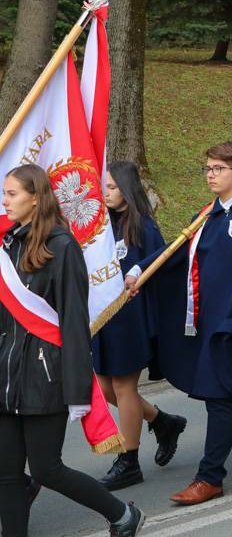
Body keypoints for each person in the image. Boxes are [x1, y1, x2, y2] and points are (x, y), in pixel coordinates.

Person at [125, 142, 232, 505]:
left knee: (217, 395)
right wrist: (140, 270)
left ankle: (210, 477)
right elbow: (180, 249)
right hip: (208, 318)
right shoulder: (209, 213)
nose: (210, 175)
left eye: (218, 169)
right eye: (208, 168)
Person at [0, 165, 144, 537]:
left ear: (35, 197)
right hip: (7, 375)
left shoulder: (62, 247)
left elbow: (75, 324)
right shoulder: (9, 245)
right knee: (8, 473)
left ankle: (122, 515)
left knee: (47, 469)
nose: (5, 201)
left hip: (45, 376)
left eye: (12, 194)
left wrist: (78, 388)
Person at [94, 161, 187, 491]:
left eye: (113, 187)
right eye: (105, 186)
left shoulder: (143, 226)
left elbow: (162, 261)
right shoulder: (103, 225)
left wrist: (137, 273)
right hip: (103, 317)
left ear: (128, 190)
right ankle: (163, 421)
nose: (106, 192)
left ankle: (129, 460)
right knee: (105, 388)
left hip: (130, 319)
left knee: (124, 387)